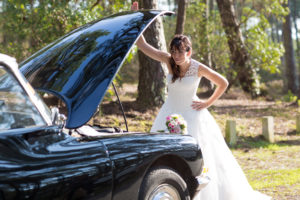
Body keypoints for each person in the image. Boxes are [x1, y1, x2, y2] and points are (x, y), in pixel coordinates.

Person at [132, 2, 271, 200]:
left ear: (189, 51)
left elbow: (223, 82)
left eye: (181, 51)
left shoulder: (197, 67)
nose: (177, 55)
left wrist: (207, 103)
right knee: (164, 154)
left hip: (192, 115)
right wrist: (137, 18)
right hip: (168, 113)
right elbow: (142, 45)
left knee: (198, 158)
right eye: (174, 51)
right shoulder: (168, 61)